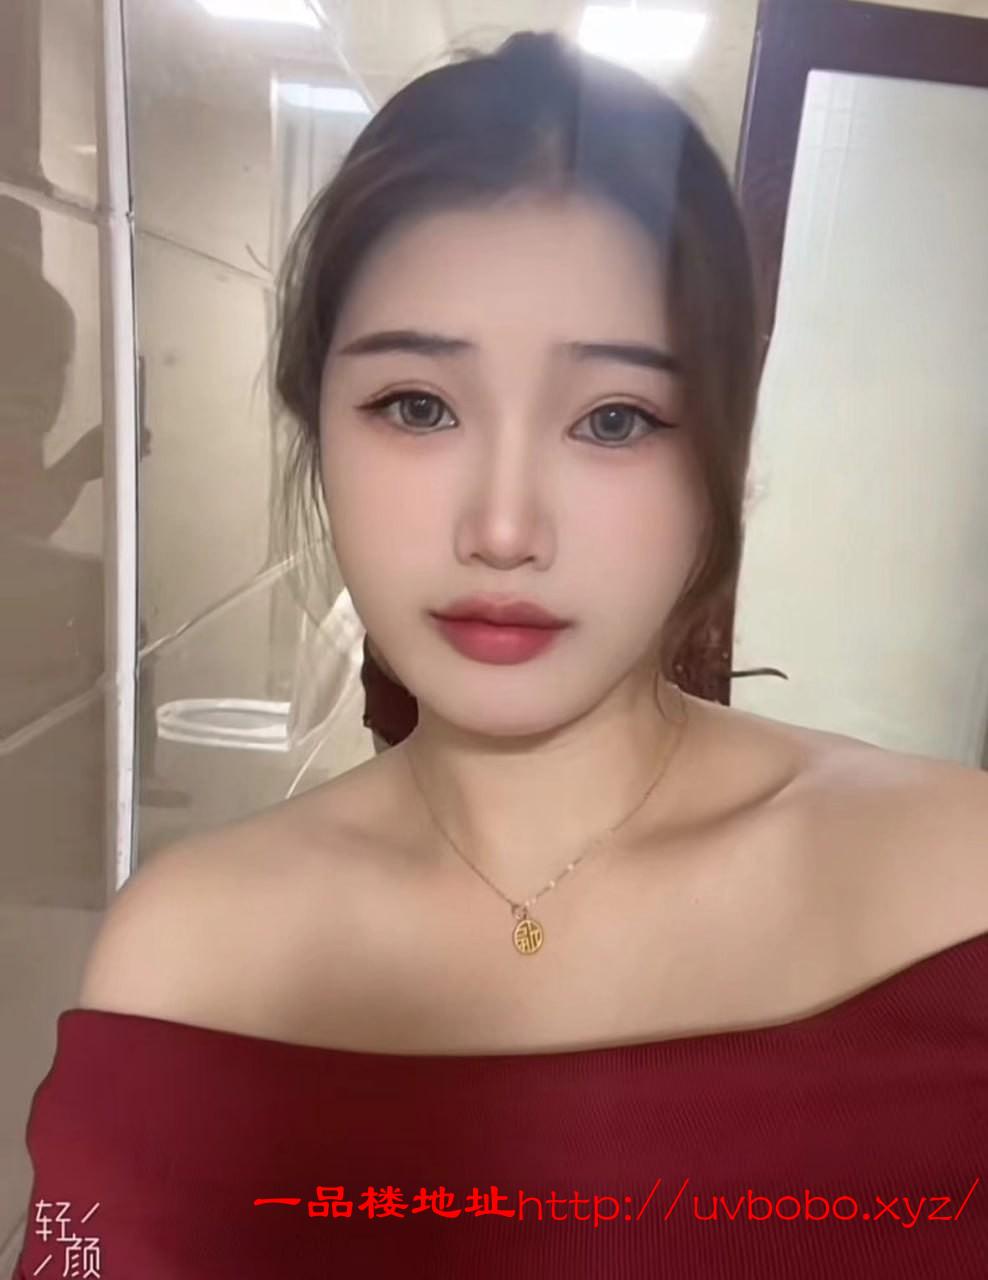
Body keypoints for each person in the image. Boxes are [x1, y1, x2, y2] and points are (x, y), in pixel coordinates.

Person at [13, 30, 988, 1280]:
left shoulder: (954, 880)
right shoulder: (187, 961)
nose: (505, 527)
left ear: (723, 454)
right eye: (417, 405)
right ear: (317, 424)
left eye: (614, 419)